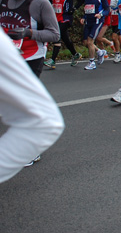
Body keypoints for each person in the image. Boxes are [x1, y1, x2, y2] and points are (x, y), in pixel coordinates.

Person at [0, 30, 64, 183]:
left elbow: (43, 122)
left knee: (30, 110)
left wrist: (28, 33)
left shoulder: (39, 4)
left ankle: (31, 151)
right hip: (18, 52)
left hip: (33, 54)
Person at [1, 0, 60, 77]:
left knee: (19, 95)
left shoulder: (39, 2)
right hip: (6, 56)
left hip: (30, 58)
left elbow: (54, 35)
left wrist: (28, 33)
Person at [45, 0, 84, 68]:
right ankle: (75, 54)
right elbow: (48, 2)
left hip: (66, 18)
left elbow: (81, 0)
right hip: (55, 18)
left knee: (57, 35)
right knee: (65, 39)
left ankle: (53, 60)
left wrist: (74, 9)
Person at [80, 0, 109, 70]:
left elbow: (107, 9)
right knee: (85, 42)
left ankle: (92, 62)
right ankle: (100, 52)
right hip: (88, 21)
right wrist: (83, 17)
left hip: (97, 22)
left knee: (90, 41)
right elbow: (86, 8)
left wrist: (101, 14)